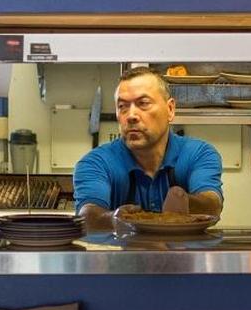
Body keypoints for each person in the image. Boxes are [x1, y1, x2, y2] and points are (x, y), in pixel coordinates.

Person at [74, 67, 223, 230]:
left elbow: (213, 204)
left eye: (143, 103)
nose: (131, 116)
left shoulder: (198, 154)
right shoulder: (96, 163)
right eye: (122, 106)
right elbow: (87, 216)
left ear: (170, 109)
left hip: (184, 248)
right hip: (122, 248)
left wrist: (185, 202)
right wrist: (115, 219)